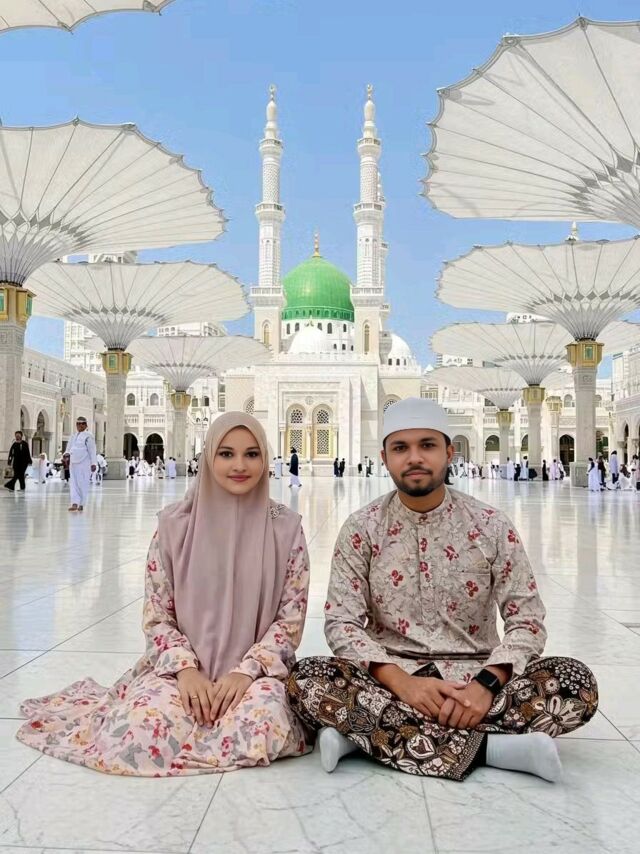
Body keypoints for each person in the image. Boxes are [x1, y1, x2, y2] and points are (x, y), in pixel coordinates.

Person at [287, 397, 597, 783]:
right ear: (385, 458)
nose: (414, 458)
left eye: (427, 445)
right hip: (390, 679)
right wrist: (404, 684)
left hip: (477, 680)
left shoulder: (490, 525)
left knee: (576, 683)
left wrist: (485, 685)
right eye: (401, 448)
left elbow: (527, 620)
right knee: (306, 678)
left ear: (449, 453)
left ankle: (368, 738)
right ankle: (495, 749)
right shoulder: (362, 528)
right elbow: (342, 623)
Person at [17, 412, 311, 776]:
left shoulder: (286, 529)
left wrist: (246, 673)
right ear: (209, 458)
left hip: (256, 677)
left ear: (265, 459)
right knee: (141, 730)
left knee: (264, 724)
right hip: (178, 672)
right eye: (226, 454)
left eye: (252, 454)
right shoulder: (174, 526)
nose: (239, 465)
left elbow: (290, 619)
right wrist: (186, 670)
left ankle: (220, 727)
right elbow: (157, 614)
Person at [66, 416, 97, 512]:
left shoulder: (88, 436)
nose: (80, 425)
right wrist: (66, 455)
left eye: (82, 424)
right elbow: (68, 448)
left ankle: (82, 503)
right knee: (73, 483)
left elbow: (92, 450)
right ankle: (74, 503)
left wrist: (93, 463)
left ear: (86, 425)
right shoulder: (73, 436)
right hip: (73, 462)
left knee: (82, 483)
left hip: (84, 462)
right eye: (78, 424)